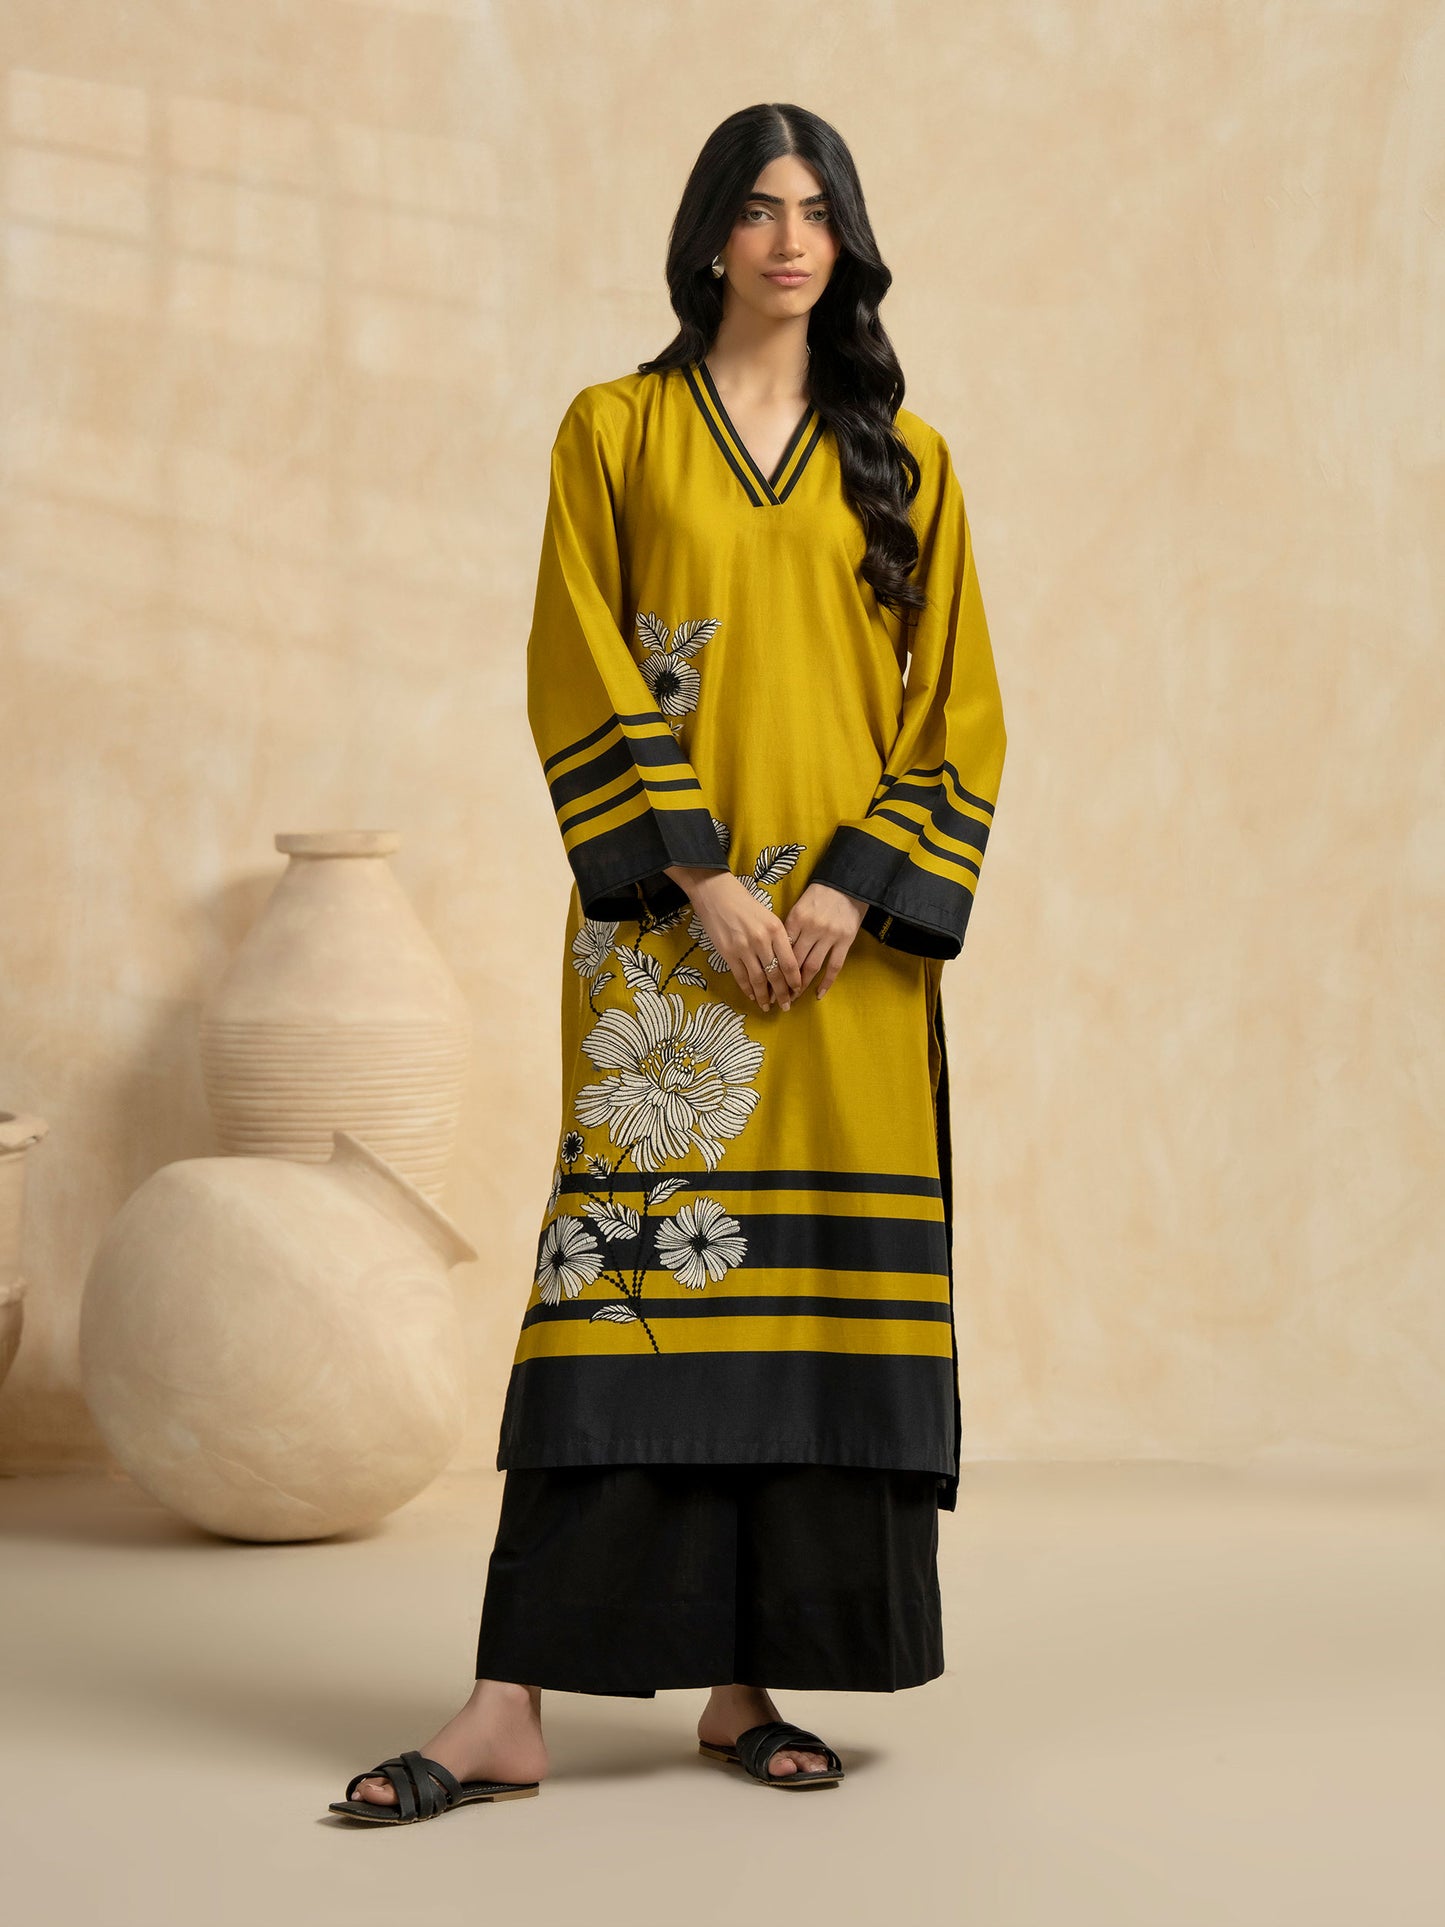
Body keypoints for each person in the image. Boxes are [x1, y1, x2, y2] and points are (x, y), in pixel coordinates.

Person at [330, 99, 1007, 1825]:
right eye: (759, 208)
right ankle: (504, 1708)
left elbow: (958, 712)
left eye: (818, 210)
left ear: (846, 239)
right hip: (671, 960)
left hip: (848, 968)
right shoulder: (615, 431)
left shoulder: (904, 458)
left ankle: (742, 1690)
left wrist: (849, 894)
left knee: (806, 1321)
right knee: (620, 1306)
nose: (790, 239)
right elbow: (577, 663)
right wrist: (701, 883)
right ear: (709, 234)